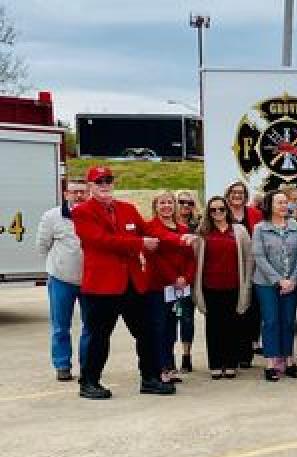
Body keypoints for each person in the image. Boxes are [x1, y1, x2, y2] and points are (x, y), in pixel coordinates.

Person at [72, 166, 175, 399]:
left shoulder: (127, 209)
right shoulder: (82, 211)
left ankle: (150, 379)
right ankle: (89, 382)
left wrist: (179, 237)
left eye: (108, 180)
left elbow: (151, 231)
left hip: (132, 283)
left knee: (148, 332)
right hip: (101, 286)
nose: (105, 185)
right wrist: (138, 243)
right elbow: (100, 240)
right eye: (99, 182)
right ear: (90, 186)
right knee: (98, 335)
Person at [192, 196, 254, 379]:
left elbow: (248, 258)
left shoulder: (239, 231)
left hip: (234, 286)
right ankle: (216, 364)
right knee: (214, 327)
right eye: (213, 210)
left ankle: (231, 363)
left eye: (221, 209)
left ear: (227, 210)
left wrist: (247, 284)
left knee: (233, 326)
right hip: (210, 287)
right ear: (208, 213)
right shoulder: (202, 233)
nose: (218, 213)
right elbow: (196, 261)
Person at [36, 179, 91, 382]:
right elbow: (42, 245)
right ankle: (62, 365)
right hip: (61, 280)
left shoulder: (94, 215)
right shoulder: (52, 217)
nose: (79, 196)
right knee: (60, 326)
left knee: (91, 326)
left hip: (90, 281)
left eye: (83, 192)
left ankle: (88, 365)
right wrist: (56, 267)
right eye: (74, 192)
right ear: (66, 194)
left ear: (89, 194)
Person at [142, 191, 197, 385]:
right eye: (162, 203)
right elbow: (155, 258)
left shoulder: (182, 228)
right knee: (159, 327)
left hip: (180, 288)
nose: (166, 206)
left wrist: (186, 278)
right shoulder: (150, 227)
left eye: (169, 202)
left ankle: (170, 366)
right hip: (158, 287)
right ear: (155, 206)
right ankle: (160, 368)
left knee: (172, 328)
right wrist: (173, 278)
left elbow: (191, 258)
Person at [251, 190, 297, 381]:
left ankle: (289, 361)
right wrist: (278, 280)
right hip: (266, 283)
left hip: (291, 282)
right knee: (272, 321)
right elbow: (259, 257)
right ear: (269, 205)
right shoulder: (260, 228)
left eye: (285, 202)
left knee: (288, 321)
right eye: (279, 203)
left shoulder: (296, 227)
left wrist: (293, 279)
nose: (284, 206)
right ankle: (271, 364)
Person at [227, 180, 264, 365]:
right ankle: (232, 351)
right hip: (230, 270)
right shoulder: (221, 213)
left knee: (251, 311)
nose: (237, 195)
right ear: (228, 194)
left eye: (240, 192)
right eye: (234, 192)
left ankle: (246, 352)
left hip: (252, 268)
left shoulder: (255, 214)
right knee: (233, 312)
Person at [172, 191, 200, 371]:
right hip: (168, 278)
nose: (185, 206)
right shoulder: (167, 223)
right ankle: (168, 356)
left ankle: (186, 355)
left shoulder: (197, 225)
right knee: (168, 319)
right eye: (181, 202)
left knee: (187, 318)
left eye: (189, 203)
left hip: (189, 278)